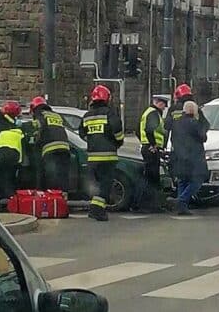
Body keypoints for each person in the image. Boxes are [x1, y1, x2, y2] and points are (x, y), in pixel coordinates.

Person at [79, 85, 124, 221]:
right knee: (105, 184)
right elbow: (117, 131)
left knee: (97, 185)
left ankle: (95, 208)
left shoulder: (87, 116)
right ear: (107, 98)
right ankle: (97, 211)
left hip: (92, 157)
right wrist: (118, 142)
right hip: (108, 156)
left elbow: (82, 133)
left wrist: (93, 141)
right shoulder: (109, 113)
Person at [170, 101, 208, 215]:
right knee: (197, 180)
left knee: (183, 181)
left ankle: (182, 207)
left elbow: (172, 139)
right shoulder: (195, 123)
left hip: (180, 156)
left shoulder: (176, 122)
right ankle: (181, 200)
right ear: (194, 111)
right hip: (194, 157)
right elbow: (203, 137)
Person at [135, 94, 169, 212]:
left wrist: (145, 143)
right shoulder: (154, 113)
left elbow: (137, 130)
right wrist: (153, 145)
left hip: (147, 148)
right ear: (159, 103)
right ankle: (148, 205)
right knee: (152, 177)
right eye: (164, 105)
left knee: (149, 177)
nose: (164, 108)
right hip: (151, 149)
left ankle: (145, 204)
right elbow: (149, 129)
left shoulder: (147, 112)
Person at [29, 96, 71, 191]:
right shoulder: (56, 115)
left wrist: (36, 143)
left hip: (50, 149)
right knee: (63, 176)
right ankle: (62, 197)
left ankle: (50, 197)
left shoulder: (40, 114)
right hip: (65, 148)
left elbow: (39, 129)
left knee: (50, 177)